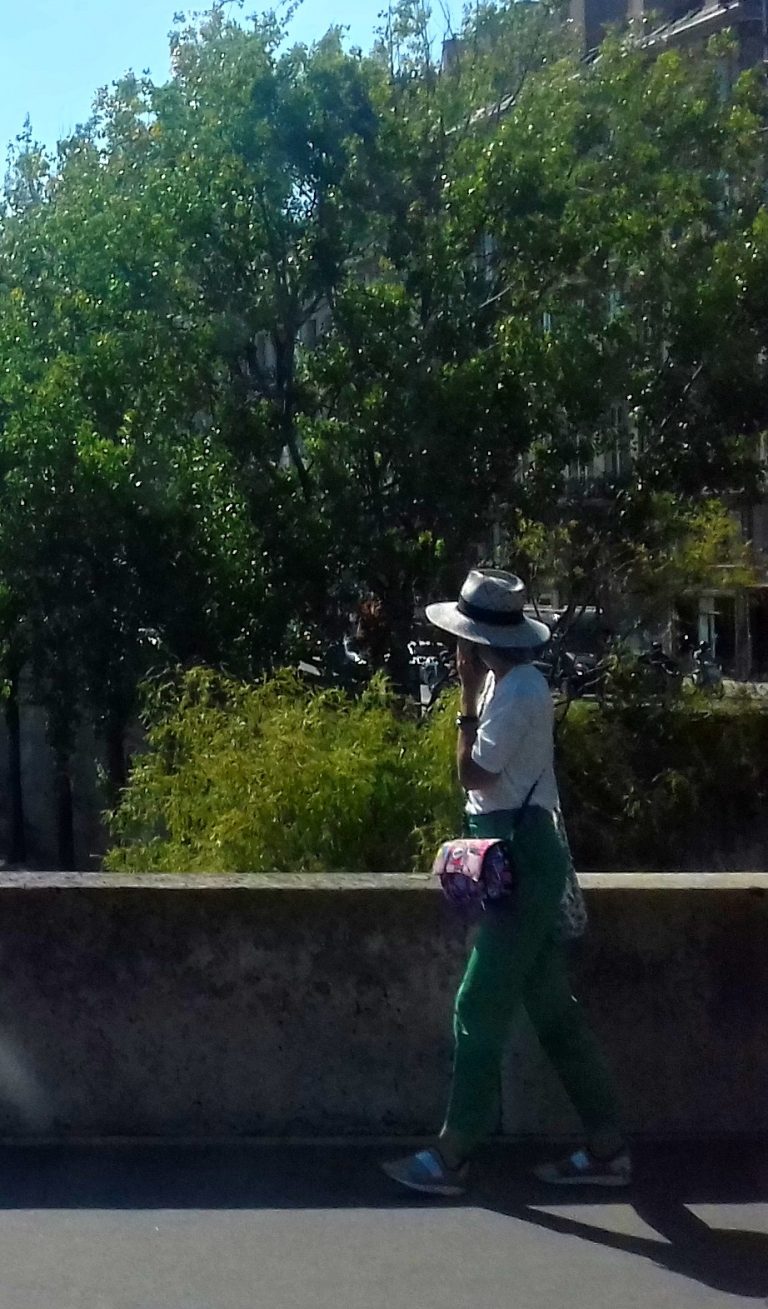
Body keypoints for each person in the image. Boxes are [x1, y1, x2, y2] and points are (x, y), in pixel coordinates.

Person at [383, 569, 629, 1196]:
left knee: (477, 1004)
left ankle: (454, 1153)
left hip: (521, 859)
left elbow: (473, 775)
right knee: (551, 1008)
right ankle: (607, 1145)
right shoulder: (510, 681)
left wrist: (464, 701)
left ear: (475, 640)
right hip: (518, 854)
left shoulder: (518, 691)